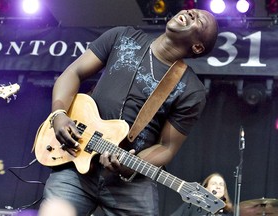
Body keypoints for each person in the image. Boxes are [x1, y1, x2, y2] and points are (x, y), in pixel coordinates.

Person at [38, 8, 218, 216]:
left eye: (200, 20)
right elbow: (73, 72)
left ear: (197, 47)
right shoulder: (123, 36)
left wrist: (130, 166)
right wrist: (58, 114)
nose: (191, 12)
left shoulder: (191, 90)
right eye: (192, 10)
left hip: (131, 184)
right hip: (76, 157)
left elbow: (167, 146)